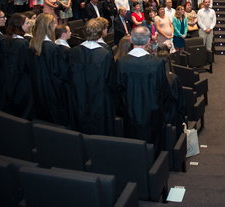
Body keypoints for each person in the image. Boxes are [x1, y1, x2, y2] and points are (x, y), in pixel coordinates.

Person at [114, 26, 170, 154]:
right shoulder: (156, 63)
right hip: (152, 111)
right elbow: (163, 90)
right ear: (148, 41)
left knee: (132, 145)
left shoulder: (121, 62)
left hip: (130, 111)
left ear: (132, 41)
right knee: (153, 145)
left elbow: (117, 89)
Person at [69, 18, 116, 135]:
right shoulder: (105, 54)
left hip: (79, 98)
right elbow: (111, 81)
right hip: (100, 101)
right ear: (100, 33)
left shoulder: (73, 51)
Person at [30, 13, 72, 127]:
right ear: (49, 26)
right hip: (54, 90)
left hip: (40, 88)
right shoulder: (52, 48)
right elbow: (61, 73)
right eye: (55, 23)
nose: (56, 25)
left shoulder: (33, 44)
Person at [0, 13, 34, 119]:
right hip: (21, 85)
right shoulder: (23, 44)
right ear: (19, 25)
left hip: (7, 82)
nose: (29, 25)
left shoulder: (5, 40)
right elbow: (27, 65)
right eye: (27, 23)